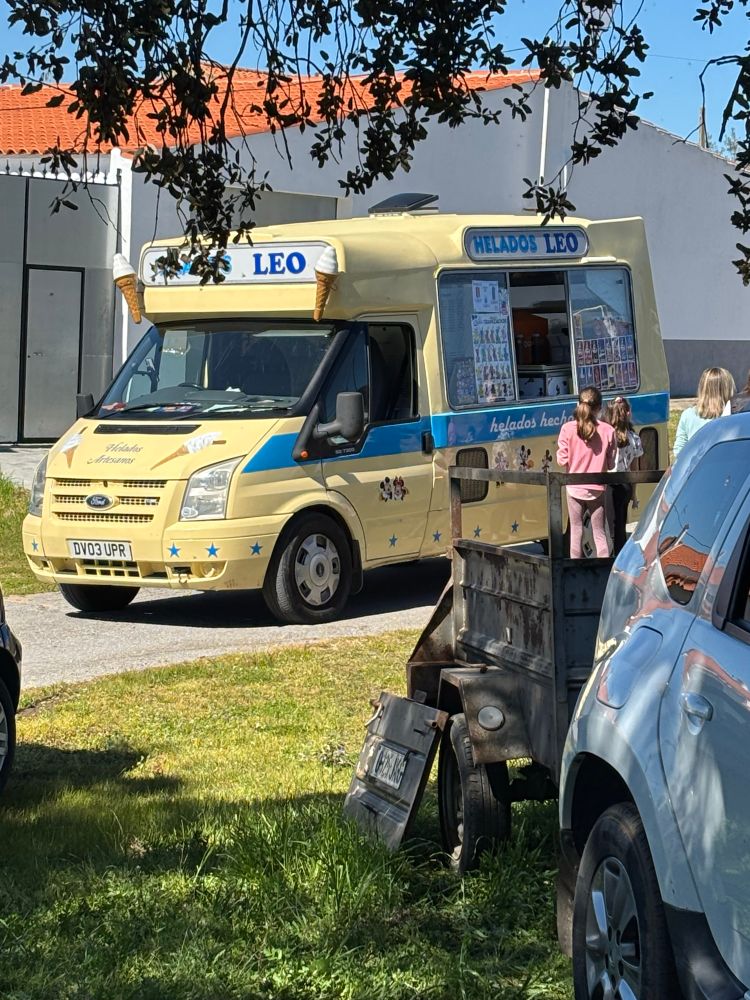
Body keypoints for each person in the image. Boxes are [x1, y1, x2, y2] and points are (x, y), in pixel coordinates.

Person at [557, 386, 617, 558]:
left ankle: (576, 571)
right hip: (597, 489)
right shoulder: (608, 431)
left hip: (574, 488)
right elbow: (611, 464)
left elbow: (562, 460)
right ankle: (603, 571)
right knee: (599, 533)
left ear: (578, 404)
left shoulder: (567, 429)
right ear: (600, 407)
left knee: (576, 531)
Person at [604, 396, 643, 555]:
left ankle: (611, 556)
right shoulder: (634, 438)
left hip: (610, 483)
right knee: (621, 524)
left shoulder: (607, 436)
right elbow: (635, 469)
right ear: (627, 413)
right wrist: (634, 493)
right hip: (626, 484)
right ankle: (620, 555)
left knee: (610, 524)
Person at [673, 367, 735, 456]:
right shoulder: (732, 416)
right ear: (728, 389)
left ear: (702, 388)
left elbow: (679, 450)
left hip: (695, 467)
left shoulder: (687, 415)